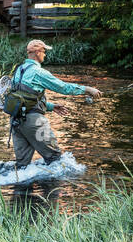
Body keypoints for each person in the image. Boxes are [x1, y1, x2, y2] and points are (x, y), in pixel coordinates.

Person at [7, 38, 101, 169]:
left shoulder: (18, 70)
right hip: (34, 123)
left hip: (15, 122)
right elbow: (62, 87)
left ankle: (20, 189)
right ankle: (53, 189)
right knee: (55, 159)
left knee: (22, 166)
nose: (45, 54)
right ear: (38, 52)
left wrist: (50, 106)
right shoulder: (38, 72)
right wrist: (87, 89)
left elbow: (23, 97)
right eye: (44, 51)